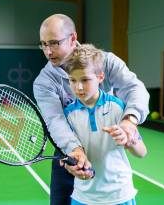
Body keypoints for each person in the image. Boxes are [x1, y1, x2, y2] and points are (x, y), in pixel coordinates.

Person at [33, 14, 149, 205]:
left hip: (106, 152)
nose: (48, 51)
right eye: (43, 44)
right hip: (69, 150)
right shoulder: (44, 82)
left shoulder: (107, 62)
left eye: (54, 43)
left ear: (72, 38)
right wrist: (75, 150)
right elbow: (56, 121)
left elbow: (135, 88)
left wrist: (129, 122)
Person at [62, 43, 147, 204]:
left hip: (120, 196)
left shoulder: (118, 108)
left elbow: (141, 152)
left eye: (85, 80)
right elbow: (70, 155)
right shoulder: (68, 115)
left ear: (101, 77)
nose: (78, 87)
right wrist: (70, 164)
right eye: (72, 80)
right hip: (83, 197)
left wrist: (129, 139)